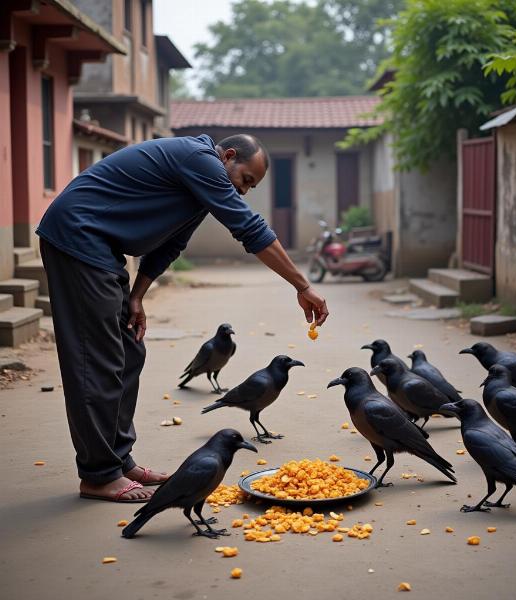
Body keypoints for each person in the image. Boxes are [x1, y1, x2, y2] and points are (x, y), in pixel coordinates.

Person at [36, 133, 328, 503]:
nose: (244, 191)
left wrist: (137, 295)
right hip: (77, 237)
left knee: (129, 352)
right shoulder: (199, 159)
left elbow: (170, 244)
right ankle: (98, 474)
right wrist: (302, 286)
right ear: (229, 156)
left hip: (101, 247)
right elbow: (248, 228)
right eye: (245, 180)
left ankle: (119, 460)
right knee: (98, 359)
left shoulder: (199, 186)